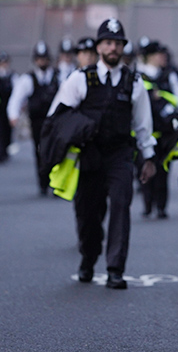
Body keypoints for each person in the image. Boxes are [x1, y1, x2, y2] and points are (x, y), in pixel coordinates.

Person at [47, 18, 156, 289]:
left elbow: (143, 124)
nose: (113, 48)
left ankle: (115, 269)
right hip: (89, 155)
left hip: (119, 155)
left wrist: (149, 157)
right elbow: (56, 116)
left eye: (118, 44)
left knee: (121, 206)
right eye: (108, 43)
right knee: (88, 214)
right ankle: (88, 257)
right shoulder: (80, 78)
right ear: (98, 47)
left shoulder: (134, 81)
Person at [137, 41, 178, 219]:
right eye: (158, 55)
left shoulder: (168, 75)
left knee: (163, 169)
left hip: (165, 131)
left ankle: (161, 207)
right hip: (146, 131)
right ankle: (148, 204)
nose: (162, 58)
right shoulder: (139, 76)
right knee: (146, 167)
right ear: (149, 57)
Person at [7, 40, 59, 195]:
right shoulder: (28, 79)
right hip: (37, 122)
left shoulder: (58, 77)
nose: (42, 61)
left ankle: (55, 181)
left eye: (44, 58)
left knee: (56, 151)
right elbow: (16, 98)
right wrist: (13, 115)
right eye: (39, 59)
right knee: (39, 151)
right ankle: (43, 182)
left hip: (54, 122)